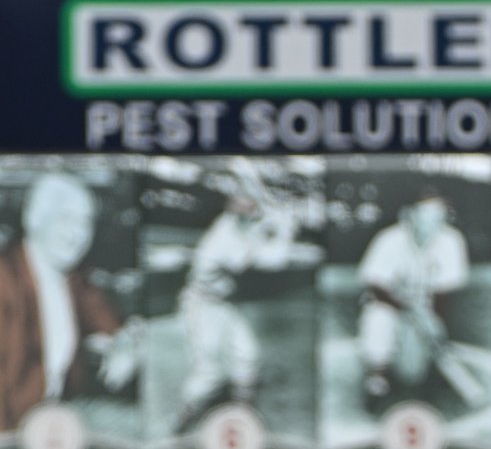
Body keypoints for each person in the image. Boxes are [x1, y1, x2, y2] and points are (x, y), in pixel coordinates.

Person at [0, 173, 141, 432]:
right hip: (15, 429)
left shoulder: (73, 276)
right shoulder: (6, 281)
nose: (77, 234)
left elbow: (108, 320)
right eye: (65, 218)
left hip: (55, 412)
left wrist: (123, 346)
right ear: (34, 219)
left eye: (85, 222)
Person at [174, 165, 298, 433]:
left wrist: (274, 212)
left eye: (245, 198)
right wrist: (286, 228)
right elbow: (274, 261)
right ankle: (186, 415)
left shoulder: (241, 221)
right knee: (209, 370)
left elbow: (261, 215)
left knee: (247, 354)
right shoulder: (224, 237)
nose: (242, 202)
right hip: (201, 305)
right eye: (238, 199)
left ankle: (243, 413)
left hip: (224, 304)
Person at [357, 190, 472, 414]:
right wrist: (409, 309)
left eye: (439, 216)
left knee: (412, 374)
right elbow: (375, 287)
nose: (432, 223)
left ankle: (429, 371)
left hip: (425, 309)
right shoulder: (389, 239)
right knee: (377, 320)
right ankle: (376, 380)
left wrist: (433, 324)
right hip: (389, 306)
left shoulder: (451, 240)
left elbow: (445, 293)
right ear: (409, 215)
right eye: (426, 215)